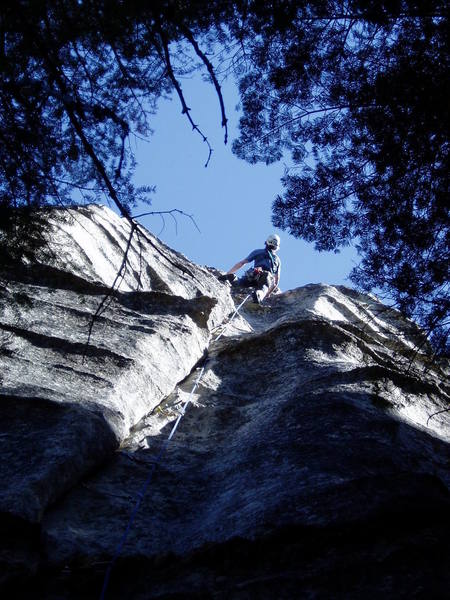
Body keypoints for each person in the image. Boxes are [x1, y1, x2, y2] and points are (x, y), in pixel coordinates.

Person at [218, 234, 281, 304]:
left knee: (239, 283)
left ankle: (233, 278)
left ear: (266, 242)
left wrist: (229, 273)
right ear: (276, 247)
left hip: (255, 273)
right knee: (263, 287)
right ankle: (258, 295)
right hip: (266, 276)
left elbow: (242, 263)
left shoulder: (258, 252)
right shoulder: (277, 260)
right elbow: (276, 281)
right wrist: (267, 294)